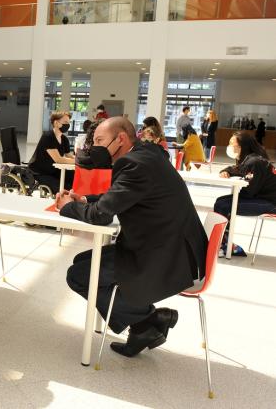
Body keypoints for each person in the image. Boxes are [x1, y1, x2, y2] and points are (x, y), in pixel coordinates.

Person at [56, 117, 208, 357]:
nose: (94, 147)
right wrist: (85, 200)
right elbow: (119, 196)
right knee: (83, 262)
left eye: (100, 140)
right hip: (169, 244)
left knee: (78, 276)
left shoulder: (133, 164)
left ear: (121, 139)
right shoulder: (146, 153)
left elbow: (101, 217)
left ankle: (147, 322)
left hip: (165, 255)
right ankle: (147, 322)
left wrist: (66, 206)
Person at [214, 132, 276, 257]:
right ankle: (224, 243)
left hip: (271, 203)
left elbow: (248, 192)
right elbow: (238, 169)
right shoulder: (251, 159)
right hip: (263, 198)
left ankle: (224, 244)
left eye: (232, 144)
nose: (229, 147)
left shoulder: (255, 162)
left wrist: (231, 173)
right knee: (221, 202)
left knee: (223, 205)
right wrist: (226, 171)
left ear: (242, 146)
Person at [28, 111, 75, 193]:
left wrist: (81, 160)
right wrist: (76, 162)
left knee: (74, 177)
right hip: (40, 173)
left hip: (53, 170)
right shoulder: (48, 137)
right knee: (65, 189)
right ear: (56, 123)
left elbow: (69, 155)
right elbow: (58, 160)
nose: (68, 125)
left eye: (68, 122)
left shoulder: (64, 139)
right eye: (65, 122)